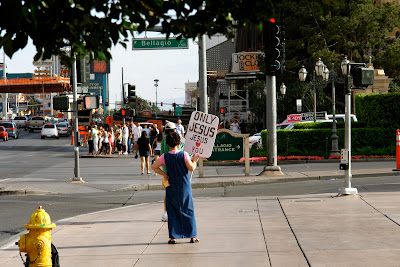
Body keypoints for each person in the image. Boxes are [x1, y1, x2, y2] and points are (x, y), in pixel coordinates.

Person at [151, 132, 199, 244]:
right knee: (188, 208)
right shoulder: (184, 155)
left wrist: (164, 174)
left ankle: (173, 236)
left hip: (171, 184)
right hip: (184, 185)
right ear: (179, 143)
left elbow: (154, 166)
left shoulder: (164, 156)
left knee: (172, 210)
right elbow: (191, 168)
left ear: (167, 144)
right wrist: (195, 161)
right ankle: (192, 235)